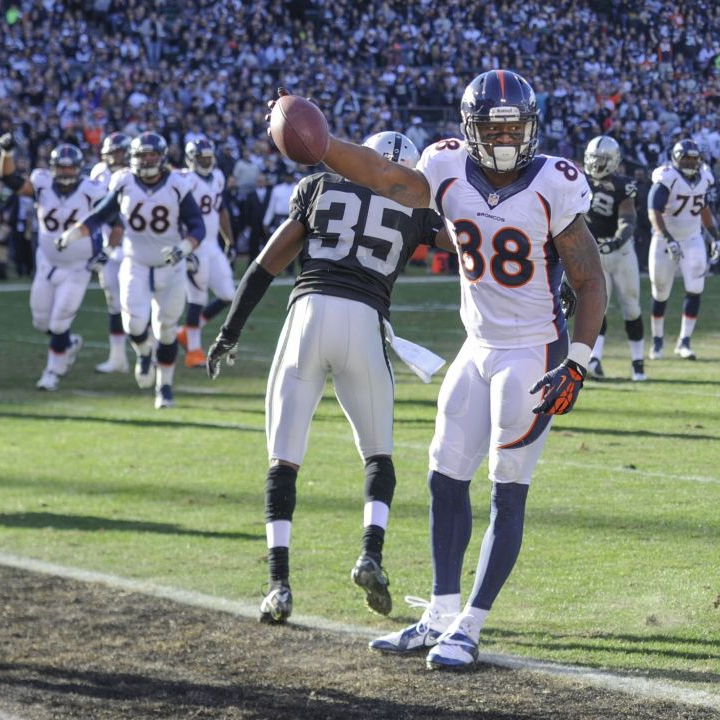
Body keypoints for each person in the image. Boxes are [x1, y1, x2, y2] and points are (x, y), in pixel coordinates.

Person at [266, 70, 606, 672]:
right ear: (469, 129)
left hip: (533, 349)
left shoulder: (555, 181)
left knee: (508, 483)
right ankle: (443, 611)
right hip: (478, 346)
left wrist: (577, 361)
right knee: (443, 473)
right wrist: (322, 146)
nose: (504, 137)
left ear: (532, 126)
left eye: (514, 125)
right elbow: (383, 177)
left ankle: (471, 625)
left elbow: (588, 277)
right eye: (492, 126)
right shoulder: (445, 167)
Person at [205, 130, 446, 626]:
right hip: (365, 323)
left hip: (307, 318)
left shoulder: (319, 187)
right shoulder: (420, 212)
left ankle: (279, 587)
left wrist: (229, 332)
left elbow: (264, 266)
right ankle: (369, 554)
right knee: (378, 455)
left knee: (284, 459)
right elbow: (473, 252)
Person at [57, 131, 205, 407]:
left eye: (153, 155)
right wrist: (72, 234)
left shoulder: (176, 184)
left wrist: (183, 248)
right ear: (134, 158)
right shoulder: (124, 182)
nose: (148, 160)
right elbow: (101, 214)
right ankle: (143, 351)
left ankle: (165, 387)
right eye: (143, 155)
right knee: (134, 324)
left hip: (170, 265)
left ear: (162, 158)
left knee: (166, 330)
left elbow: (198, 225)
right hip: (135, 262)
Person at [0, 135, 107, 390]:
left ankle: (52, 373)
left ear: (78, 168)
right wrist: (7, 152)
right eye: (62, 166)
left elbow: (110, 214)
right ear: (54, 168)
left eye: (70, 167)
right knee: (41, 322)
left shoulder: (90, 189)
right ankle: (67, 344)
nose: (66, 171)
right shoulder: (42, 183)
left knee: (59, 323)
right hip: (47, 262)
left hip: (78, 266)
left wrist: (107, 248)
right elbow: (10, 180)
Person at [580, 135, 645, 382]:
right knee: (597, 307)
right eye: (593, 159)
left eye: (602, 160)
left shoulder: (624, 185)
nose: (596, 165)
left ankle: (638, 363)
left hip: (620, 253)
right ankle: (595, 359)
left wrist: (617, 239)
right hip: (593, 253)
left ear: (614, 161)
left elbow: (627, 218)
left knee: (631, 306)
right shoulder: (578, 181)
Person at [648, 139, 720, 361]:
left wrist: (715, 236)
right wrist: (668, 238)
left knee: (696, 288)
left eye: (693, 159)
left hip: (692, 238)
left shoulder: (705, 178)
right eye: (685, 158)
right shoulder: (667, 177)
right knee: (660, 291)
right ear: (676, 159)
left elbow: (703, 207)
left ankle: (684, 341)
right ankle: (657, 340)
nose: (690, 162)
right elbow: (654, 209)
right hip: (664, 239)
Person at [174, 139, 236, 368]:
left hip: (212, 244)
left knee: (228, 295)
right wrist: (184, 246)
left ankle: (186, 334)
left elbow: (221, 210)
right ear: (191, 159)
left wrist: (229, 239)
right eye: (201, 158)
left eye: (209, 158)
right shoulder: (185, 180)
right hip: (195, 244)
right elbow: (177, 215)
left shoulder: (218, 177)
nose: (206, 162)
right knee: (197, 298)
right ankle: (193, 351)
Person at [90, 132, 132, 374]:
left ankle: (152, 352)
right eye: (112, 152)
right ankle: (117, 358)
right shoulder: (99, 172)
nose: (114, 157)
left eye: (118, 152)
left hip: (134, 247)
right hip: (109, 247)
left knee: (138, 304)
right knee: (114, 304)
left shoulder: (134, 174)